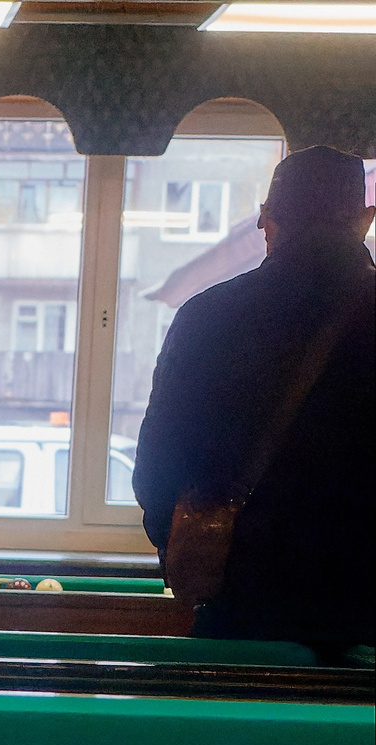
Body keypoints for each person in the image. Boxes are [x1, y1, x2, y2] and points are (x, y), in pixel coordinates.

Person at [134, 144, 374, 661]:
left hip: (243, 611)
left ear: (268, 218)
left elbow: (157, 467)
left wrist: (194, 550)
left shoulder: (208, 317)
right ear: (365, 220)